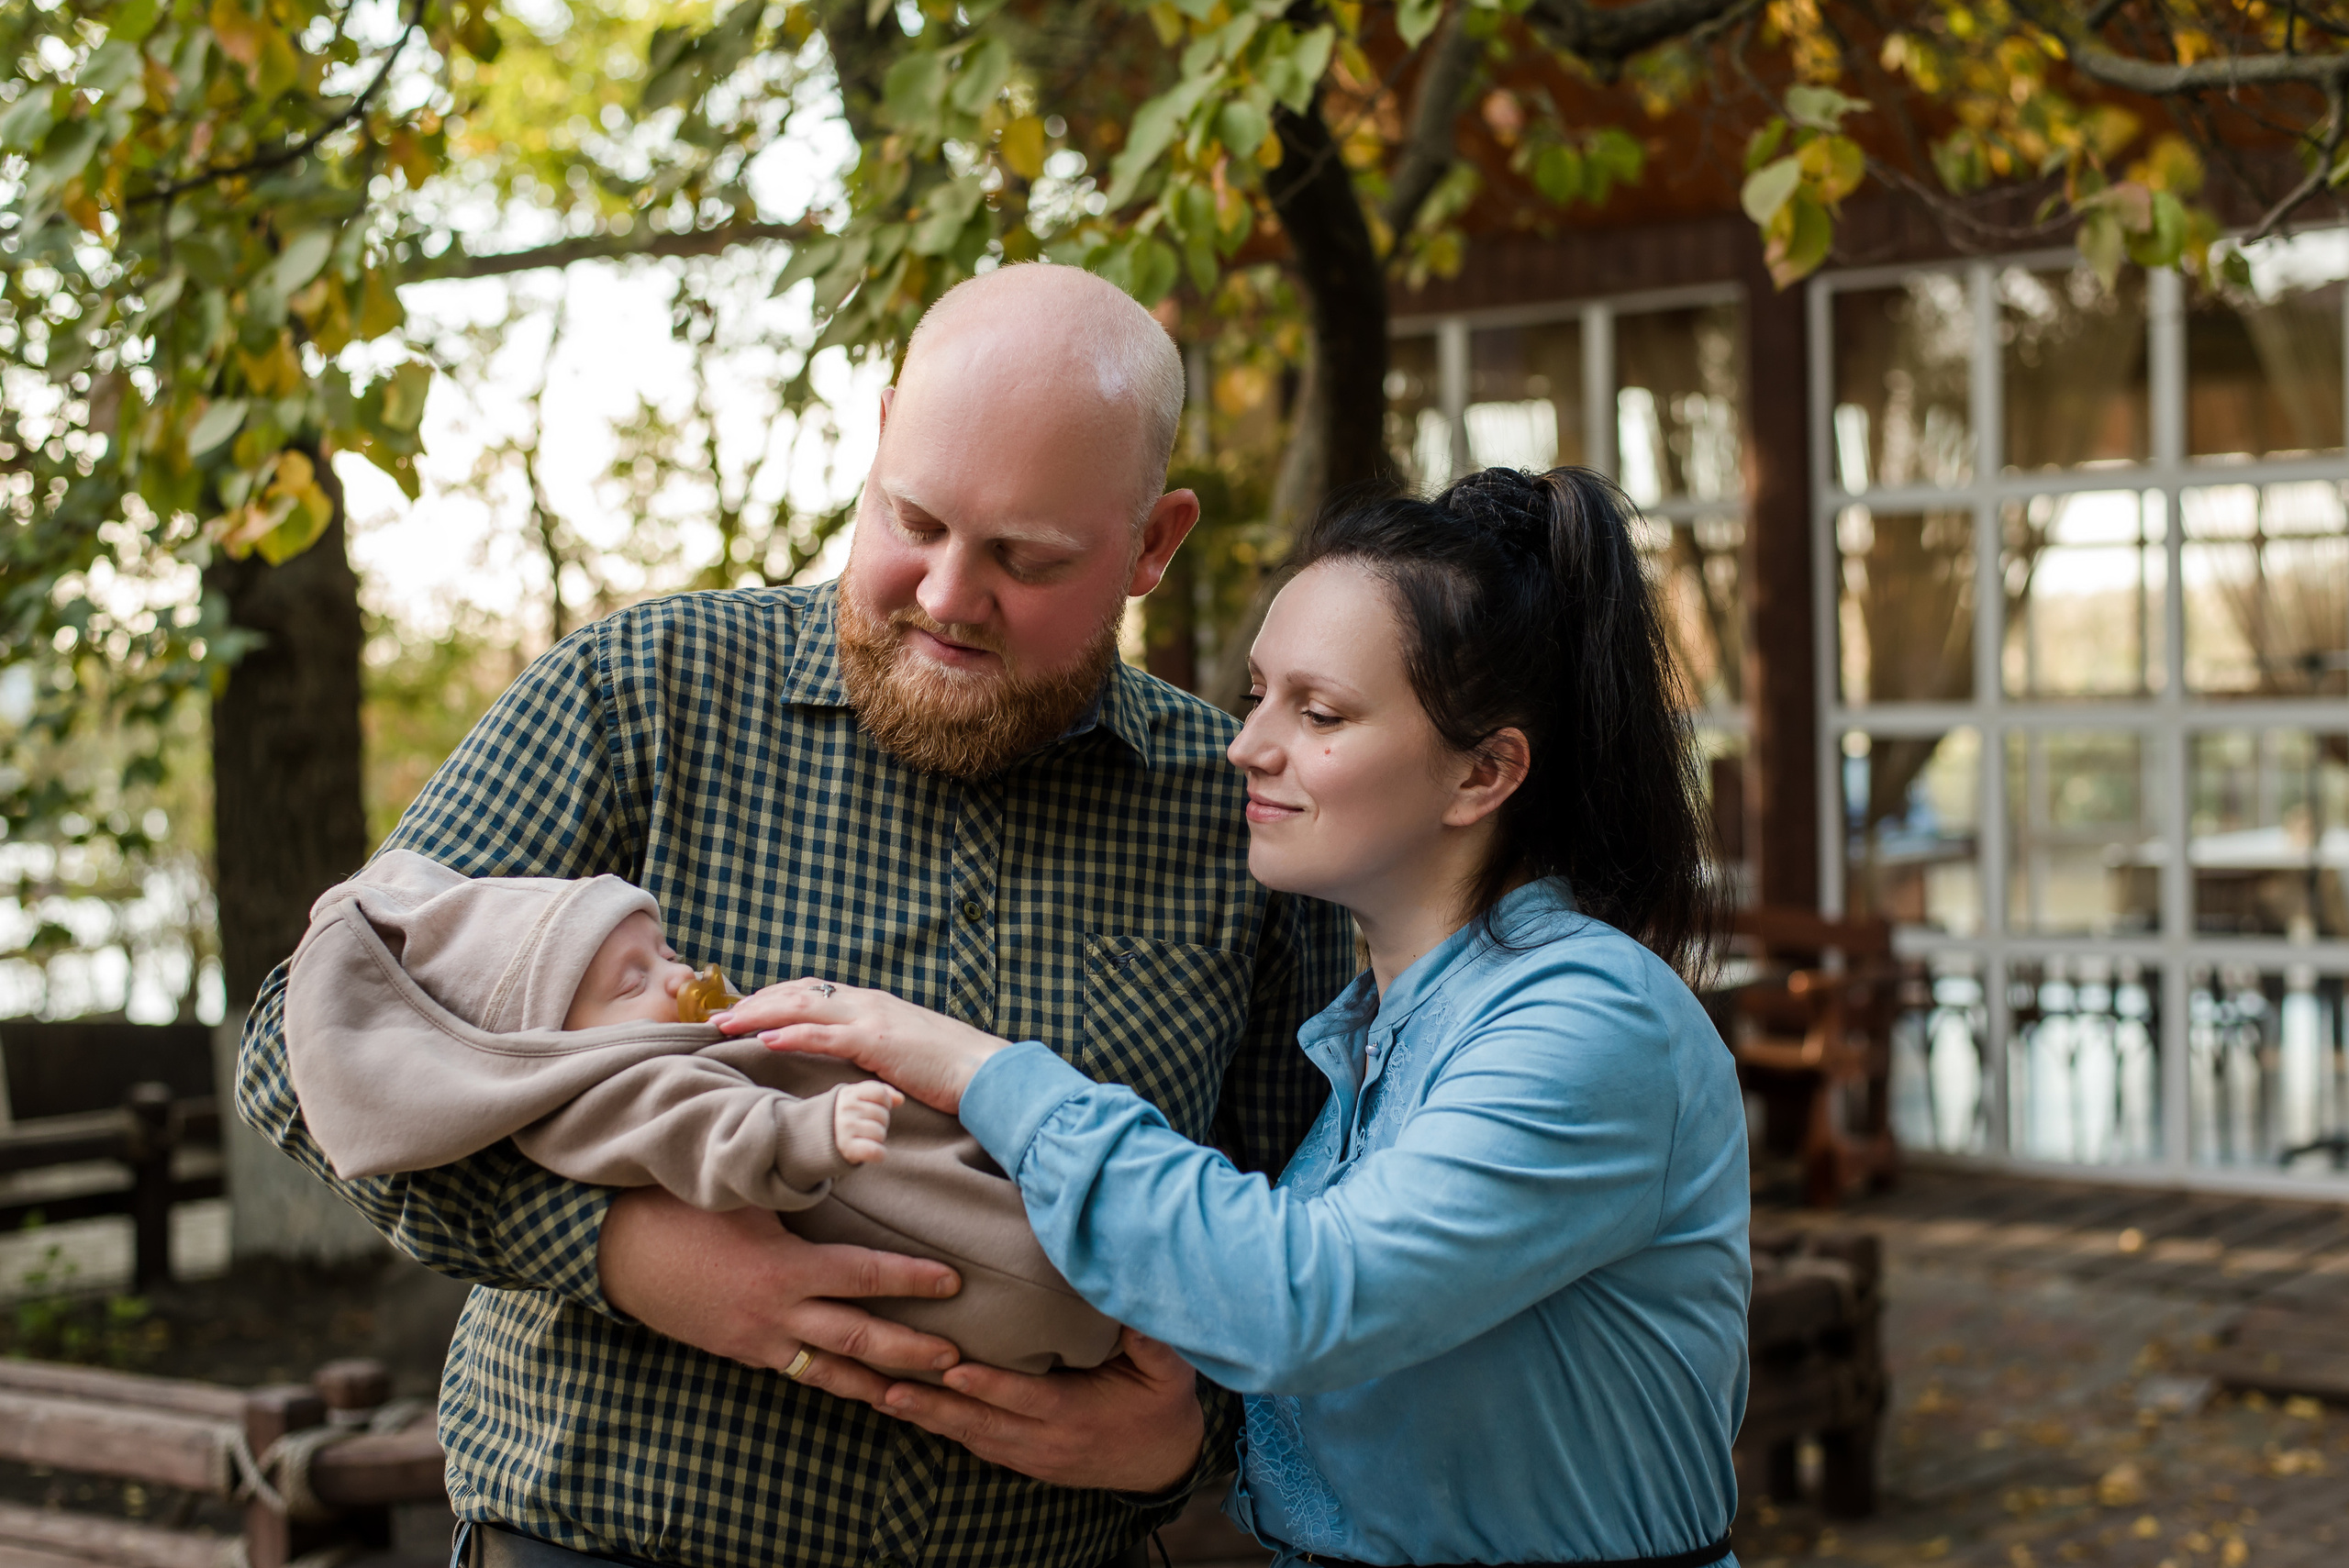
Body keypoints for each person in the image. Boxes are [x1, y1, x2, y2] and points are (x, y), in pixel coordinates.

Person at [232, 262, 1354, 1568]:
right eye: (914, 519)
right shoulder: (637, 698)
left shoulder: (1241, 820)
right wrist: (632, 1251)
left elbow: (1317, 1246)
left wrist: (1190, 1439)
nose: (946, 594)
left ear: (1153, 544)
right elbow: (303, 1045)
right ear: (878, 439)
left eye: (1025, 558)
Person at [719, 469, 1753, 1568]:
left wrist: (978, 1069)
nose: (1245, 746)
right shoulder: (1382, 1028)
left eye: (1318, 713)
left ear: (1483, 772)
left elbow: (1305, 1294)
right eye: (1259, 693)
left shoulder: (1590, 1019)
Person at [280, 849, 1120, 1375]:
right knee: (1024, 1280)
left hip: (978, 1207)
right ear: (560, 1043)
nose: (678, 977)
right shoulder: (607, 1087)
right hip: (958, 1253)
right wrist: (810, 1129)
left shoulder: (669, 1040)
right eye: (632, 982)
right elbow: (706, 1134)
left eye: (666, 952)